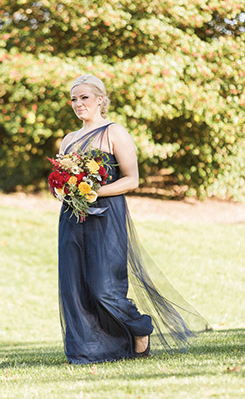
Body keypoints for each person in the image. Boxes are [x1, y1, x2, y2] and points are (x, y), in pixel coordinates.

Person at [58, 74, 210, 365]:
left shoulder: (114, 132)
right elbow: (62, 180)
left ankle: (140, 330)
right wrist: (62, 189)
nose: (78, 104)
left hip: (106, 217)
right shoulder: (69, 140)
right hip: (72, 218)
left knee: (105, 288)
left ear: (100, 99)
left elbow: (132, 180)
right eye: (74, 99)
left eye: (84, 97)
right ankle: (87, 350)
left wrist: (95, 191)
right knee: (74, 286)